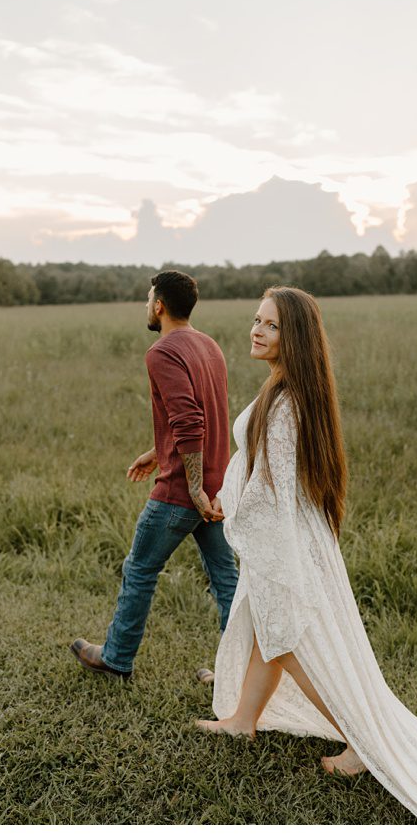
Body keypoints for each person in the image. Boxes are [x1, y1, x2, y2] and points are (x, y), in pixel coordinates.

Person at [194, 286, 417, 826]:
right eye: (256, 320)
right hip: (280, 532)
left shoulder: (286, 404)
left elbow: (275, 487)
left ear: (296, 338)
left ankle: (359, 742)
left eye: (271, 325)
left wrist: (230, 512)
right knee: (269, 626)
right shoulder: (281, 389)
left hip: (281, 535)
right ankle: (243, 718)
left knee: (289, 638)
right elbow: (262, 472)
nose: (256, 331)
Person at [70, 270, 237, 680]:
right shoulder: (209, 346)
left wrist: (191, 485)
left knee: (140, 569)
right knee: (228, 583)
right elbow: (200, 418)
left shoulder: (162, 351)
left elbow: (190, 418)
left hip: (184, 492)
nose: (147, 305)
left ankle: (116, 658)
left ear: (159, 305)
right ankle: (239, 673)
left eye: (149, 299)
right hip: (218, 487)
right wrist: (156, 453)